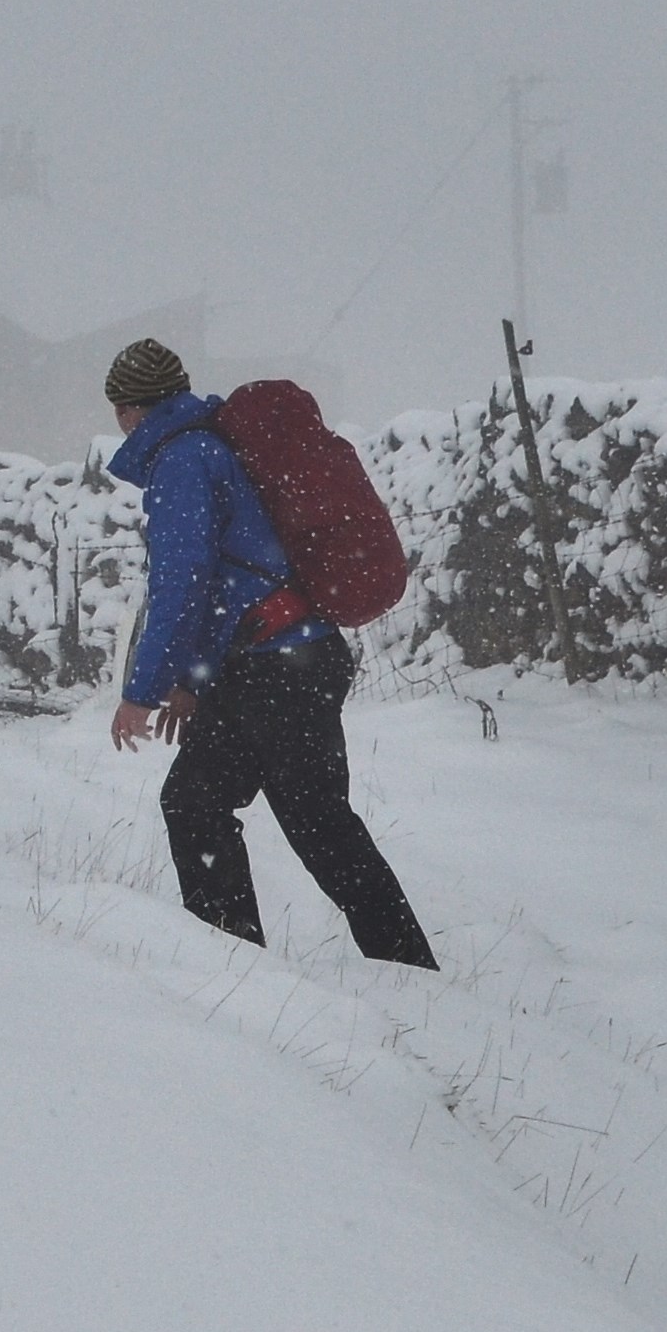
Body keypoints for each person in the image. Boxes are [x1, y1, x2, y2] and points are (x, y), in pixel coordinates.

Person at [100, 338, 437, 969]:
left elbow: (184, 584)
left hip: (276, 669)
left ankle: (382, 968)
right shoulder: (211, 446)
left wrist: (141, 692)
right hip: (286, 661)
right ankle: (249, 963)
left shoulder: (180, 462)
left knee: (300, 823)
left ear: (127, 411)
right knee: (227, 806)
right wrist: (195, 683)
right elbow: (230, 582)